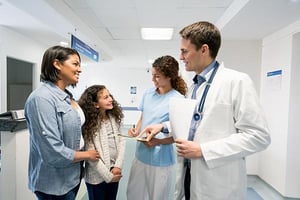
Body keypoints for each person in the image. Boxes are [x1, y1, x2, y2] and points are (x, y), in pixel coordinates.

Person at [142, 21, 271, 200]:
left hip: (218, 183)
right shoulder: (194, 86)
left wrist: (204, 150)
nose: (180, 57)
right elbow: (193, 123)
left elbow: (259, 136)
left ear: (204, 50)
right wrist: (163, 127)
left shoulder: (237, 81)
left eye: (184, 51)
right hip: (189, 174)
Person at [24, 45, 100, 200]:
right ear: (57, 64)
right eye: (75, 64)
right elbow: (52, 151)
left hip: (72, 174)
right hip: (54, 182)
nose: (80, 69)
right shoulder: (41, 99)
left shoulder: (67, 96)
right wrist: (87, 155)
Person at [126, 55, 187, 200]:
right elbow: (143, 116)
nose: (153, 80)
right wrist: (136, 131)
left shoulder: (178, 100)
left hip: (160, 160)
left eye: (157, 76)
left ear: (169, 77)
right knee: (133, 195)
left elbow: (178, 134)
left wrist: (158, 142)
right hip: (140, 155)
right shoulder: (148, 93)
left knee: (157, 197)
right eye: (152, 75)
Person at [78, 85, 126, 200]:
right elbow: (91, 155)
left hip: (114, 172)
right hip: (97, 178)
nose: (110, 99)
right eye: (105, 97)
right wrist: (108, 177)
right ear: (96, 104)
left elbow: (121, 141)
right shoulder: (89, 124)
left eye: (109, 95)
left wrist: (118, 166)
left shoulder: (114, 118)